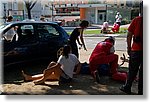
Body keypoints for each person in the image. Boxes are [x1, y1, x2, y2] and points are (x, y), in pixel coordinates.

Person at [120, 1, 143, 95]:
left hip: (136, 50)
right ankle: (142, 91)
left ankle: (127, 86)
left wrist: (129, 48)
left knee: (132, 70)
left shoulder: (136, 20)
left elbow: (129, 35)